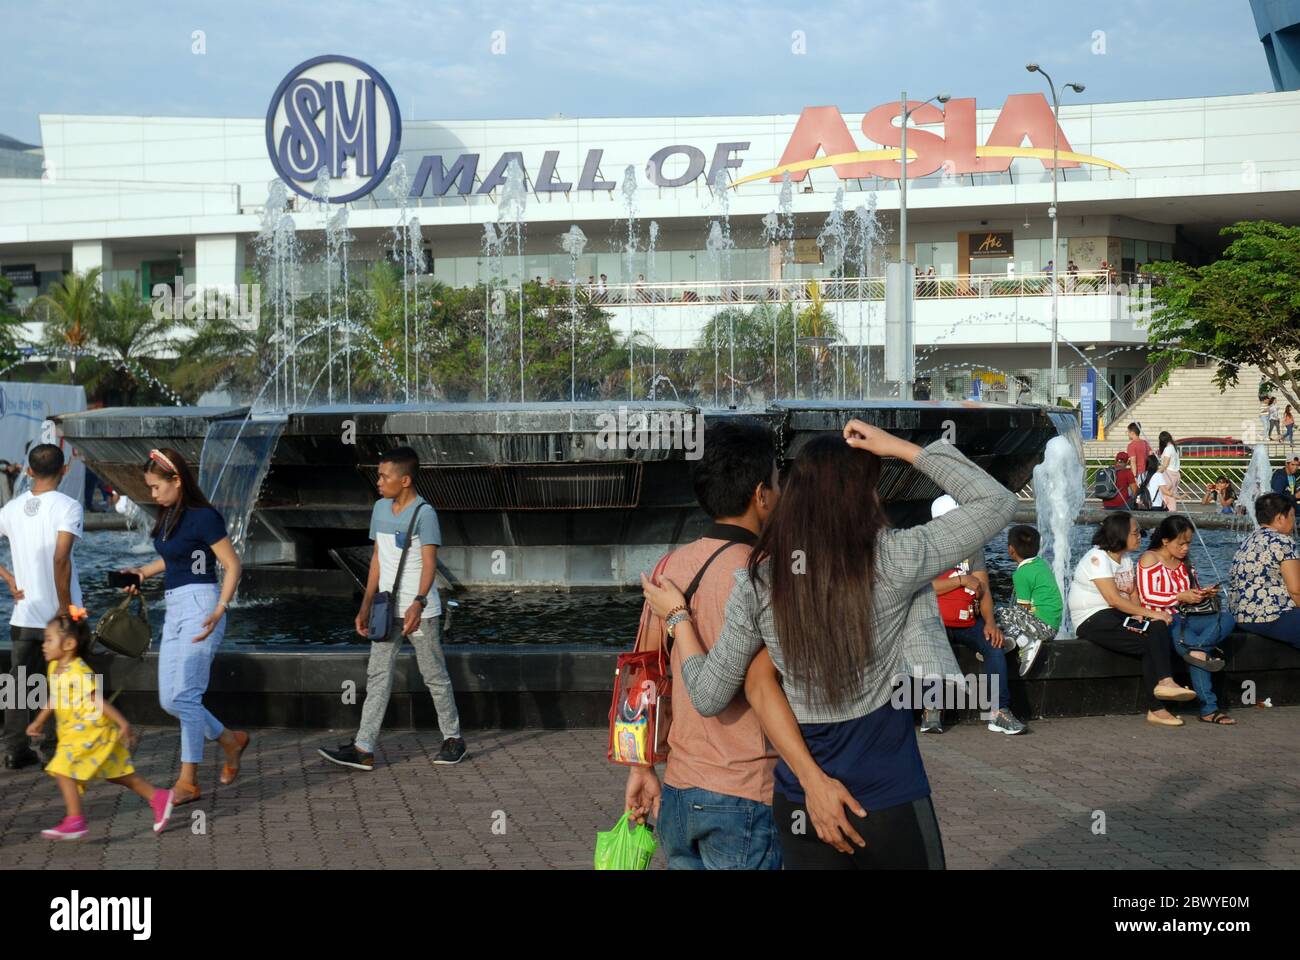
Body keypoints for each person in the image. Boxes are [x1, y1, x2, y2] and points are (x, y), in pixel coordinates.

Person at [641, 420, 1018, 870]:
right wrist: (900, 448)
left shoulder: (761, 582)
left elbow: (707, 694)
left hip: (803, 804)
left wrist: (679, 619)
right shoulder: (895, 558)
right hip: (888, 793)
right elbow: (997, 502)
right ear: (863, 495)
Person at [623, 419, 784, 869]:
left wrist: (641, 767)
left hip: (678, 790)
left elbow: (643, 677)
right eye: (776, 480)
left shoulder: (668, 568)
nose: (780, 491)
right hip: (747, 791)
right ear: (760, 494)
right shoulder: (764, 573)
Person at [320, 446, 466, 771]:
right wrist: (366, 602)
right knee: (378, 676)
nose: (378, 481)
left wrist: (419, 601)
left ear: (405, 480)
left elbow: (430, 565)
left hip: (420, 613)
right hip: (387, 609)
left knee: (434, 675)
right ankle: (364, 748)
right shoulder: (380, 509)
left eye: (384, 476)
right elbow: (376, 560)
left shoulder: (425, 513)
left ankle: (453, 739)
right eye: (379, 475)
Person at [121, 448, 249, 805]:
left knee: (185, 697)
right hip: (175, 607)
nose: (152, 494)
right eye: (149, 488)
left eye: (156, 486)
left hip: (202, 604)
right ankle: (228, 740)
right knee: (169, 699)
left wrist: (221, 609)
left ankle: (188, 781)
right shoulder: (171, 514)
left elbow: (232, 565)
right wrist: (142, 572)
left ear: (177, 480)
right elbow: (174, 558)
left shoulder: (204, 517)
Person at [25, 607, 175, 839]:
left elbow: (97, 700)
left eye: (49, 639)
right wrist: (39, 721)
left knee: (61, 769)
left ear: (68, 645)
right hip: (74, 732)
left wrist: (123, 723)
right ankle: (158, 796)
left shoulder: (79, 672)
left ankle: (75, 820)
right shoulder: (55, 668)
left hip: (90, 732)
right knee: (116, 773)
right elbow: (54, 697)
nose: (43, 644)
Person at [0, 443, 82, 771]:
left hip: (23, 615)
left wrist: (7, 577)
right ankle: (55, 747)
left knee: (18, 684)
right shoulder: (68, 506)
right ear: (65, 470)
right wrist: (66, 609)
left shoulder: (10, 509)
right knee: (64, 681)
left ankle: (15, 750)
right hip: (58, 615)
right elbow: (60, 559)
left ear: (29, 471)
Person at [1069, 512, 1194, 726]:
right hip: (1093, 618)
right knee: (1152, 632)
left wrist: (1143, 614)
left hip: (1116, 616)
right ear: (1120, 534)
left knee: (1156, 629)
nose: (1141, 536)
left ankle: (1163, 690)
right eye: (1136, 532)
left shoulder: (1125, 559)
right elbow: (1113, 600)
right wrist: (1152, 612)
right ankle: (1160, 699)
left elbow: (1133, 595)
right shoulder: (1097, 558)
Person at [928, 494, 1026, 735]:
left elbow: (983, 590)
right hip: (934, 618)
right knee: (928, 644)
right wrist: (961, 580)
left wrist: (990, 623)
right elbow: (922, 588)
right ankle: (931, 709)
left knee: (993, 644)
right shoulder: (927, 547)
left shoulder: (972, 548)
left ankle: (998, 711)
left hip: (966, 620)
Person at [1137, 515, 1237, 726]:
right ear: (1165, 540)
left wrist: (1202, 593)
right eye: (1180, 543)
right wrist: (1179, 597)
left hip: (1191, 615)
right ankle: (1210, 709)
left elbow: (1190, 591)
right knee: (1199, 653)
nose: (1185, 548)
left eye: (1188, 543)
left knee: (1229, 617)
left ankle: (1198, 649)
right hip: (1167, 620)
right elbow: (1147, 596)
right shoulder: (1150, 558)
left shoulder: (1185, 563)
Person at [1228, 492, 1300, 648]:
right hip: (1271, 616)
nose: (1293, 522)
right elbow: (1296, 590)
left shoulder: (1248, 540)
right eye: (1292, 516)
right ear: (1280, 518)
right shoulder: (1283, 541)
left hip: (1241, 616)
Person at [995, 524, 1061, 677]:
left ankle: (1025, 643)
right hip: (1053, 627)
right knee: (1010, 616)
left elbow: (1022, 608)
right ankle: (1011, 639)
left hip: (1041, 628)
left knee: (1000, 613)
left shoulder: (1022, 574)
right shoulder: (1041, 564)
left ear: (1011, 549)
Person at [1157, 431, 1181, 511]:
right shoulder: (1175, 448)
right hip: (1176, 475)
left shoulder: (1167, 449)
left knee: (1163, 496)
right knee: (1172, 497)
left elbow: (1165, 465)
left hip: (1168, 475)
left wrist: (1156, 473)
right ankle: (1172, 514)